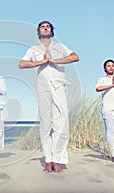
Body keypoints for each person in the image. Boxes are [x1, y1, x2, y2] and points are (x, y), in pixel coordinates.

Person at [19, 21, 79, 172]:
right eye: (42, 27)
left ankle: (57, 159)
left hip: (59, 86)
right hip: (43, 87)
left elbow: (75, 57)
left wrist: (54, 61)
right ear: (39, 31)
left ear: (52, 30)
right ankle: (48, 159)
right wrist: (42, 61)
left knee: (62, 123)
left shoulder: (60, 46)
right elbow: (22, 64)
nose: (45, 28)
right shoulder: (34, 48)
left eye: (48, 26)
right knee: (46, 124)